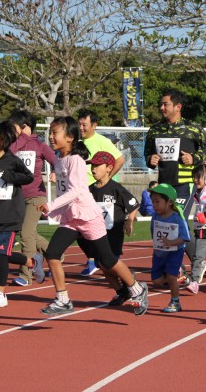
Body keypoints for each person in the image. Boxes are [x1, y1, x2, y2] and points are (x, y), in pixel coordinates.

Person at [37, 116, 148, 316]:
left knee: (107, 259)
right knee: (52, 254)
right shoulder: (59, 159)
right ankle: (63, 299)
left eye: (55, 133)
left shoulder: (76, 160)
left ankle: (137, 288)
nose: (51, 137)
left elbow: (77, 191)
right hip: (71, 218)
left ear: (69, 137)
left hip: (88, 216)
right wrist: (55, 212)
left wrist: (51, 205)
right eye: (50, 133)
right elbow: (65, 192)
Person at [0, 121, 44, 309]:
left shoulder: (12, 160)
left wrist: (12, 177)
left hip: (11, 214)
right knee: (3, 253)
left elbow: (28, 176)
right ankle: (32, 261)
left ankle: (1, 293)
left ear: (2, 139)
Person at [144, 88, 206, 219]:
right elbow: (147, 153)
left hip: (185, 184)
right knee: (165, 222)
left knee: (178, 219)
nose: (161, 108)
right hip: (163, 184)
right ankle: (188, 240)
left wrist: (194, 158)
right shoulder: (155, 129)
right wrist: (150, 159)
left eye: (166, 104)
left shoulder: (192, 128)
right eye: (161, 104)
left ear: (178, 107)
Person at [8, 110, 56, 286]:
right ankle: (56, 254)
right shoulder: (14, 144)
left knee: (26, 234)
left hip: (36, 196)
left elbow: (56, 162)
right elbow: (9, 154)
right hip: (19, 197)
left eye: (15, 128)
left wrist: (56, 173)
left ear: (24, 127)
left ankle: (26, 275)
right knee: (29, 233)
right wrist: (21, 138)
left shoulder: (41, 146)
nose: (13, 132)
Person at [88, 151, 142, 305]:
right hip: (97, 234)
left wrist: (129, 220)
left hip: (113, 232)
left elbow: (133, 204)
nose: (93, 169)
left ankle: (128, 281)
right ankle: (122, 291)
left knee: (108, 262)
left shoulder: (116, 188)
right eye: (92, 165)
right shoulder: (91, 189)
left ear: (109, 168)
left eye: (97, 165)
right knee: (101, 265)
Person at [77, 108, 125, 277]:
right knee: (80, 231)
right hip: (84, 192)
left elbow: (120, 159)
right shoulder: (78, 142)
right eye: (79, 124)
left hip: (101, 194)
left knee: (102, 230)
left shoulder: (102, 141)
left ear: (94, 125)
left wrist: (107, 178)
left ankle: (100, 261)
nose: (81, 128)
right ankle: (94, 259)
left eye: (85, 124)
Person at [148, 183, 191, 313]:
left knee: (171, 278)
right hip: (159, 253)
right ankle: (179, 273)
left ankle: (175, 301)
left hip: (175, 251)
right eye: (152, 202)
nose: (154, 205)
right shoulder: (155, 216)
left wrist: (171, 243)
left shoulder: (177, 218)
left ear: (169, 202)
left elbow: (185, 237)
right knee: (156, 281)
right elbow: (153, 231)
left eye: (157, 202)